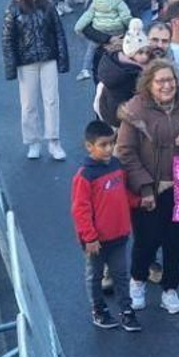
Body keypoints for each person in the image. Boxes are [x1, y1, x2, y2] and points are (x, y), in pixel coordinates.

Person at [117, 59, 179, 316]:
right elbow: (125, 152)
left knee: (176, 242)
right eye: (161, 81)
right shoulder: (134, 111)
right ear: (149, 84)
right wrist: (144, 187)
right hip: (149, 190)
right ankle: (138, 281)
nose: (167, 86)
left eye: (171, 80)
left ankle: (170, 289)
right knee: (146, 240)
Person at [71, 120, 141, 333]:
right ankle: (99, 310)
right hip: (97, 241)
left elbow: (123, 195)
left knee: (121, 275)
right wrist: (90, 237)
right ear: (89, 146)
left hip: (119, 235)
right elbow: (80, 210)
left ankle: (126, 310)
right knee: (95, 276)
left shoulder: (117, 166)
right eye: (103, 145)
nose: (109, 148)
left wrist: (138, 202)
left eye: (111, 143)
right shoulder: (85, 176)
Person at [2, 0, 70, 159]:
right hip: (26, 62)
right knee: (28, 104)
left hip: (48, 58)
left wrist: (62, 60)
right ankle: (33, 141)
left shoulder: (48, 6)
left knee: (52, 100)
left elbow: (59, 33)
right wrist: (11, 67)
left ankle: (54, 141)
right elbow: (7, 39)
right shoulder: (13, 8)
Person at [93, 21, 150, 124]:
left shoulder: (112, 64)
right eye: (140, 52)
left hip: (109, 114)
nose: (145, 56)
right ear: (130, 53)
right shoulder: (131, 72)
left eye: (147, 53)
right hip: (123, 118)